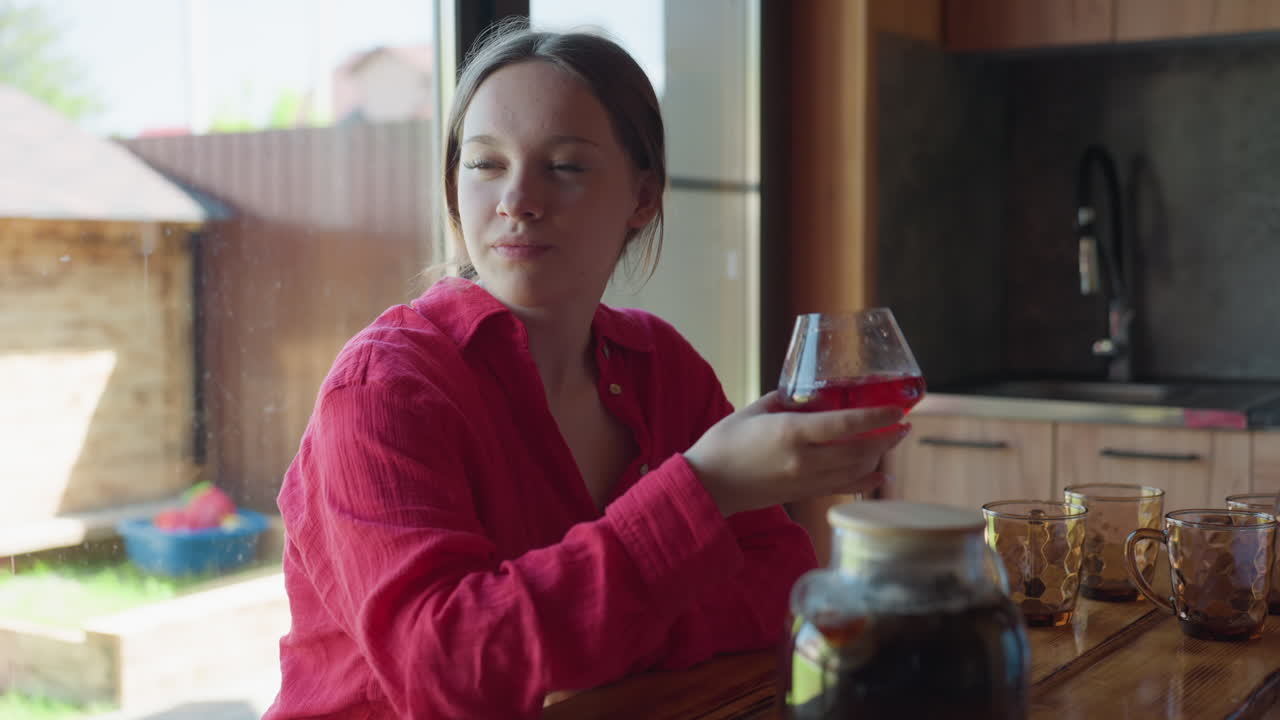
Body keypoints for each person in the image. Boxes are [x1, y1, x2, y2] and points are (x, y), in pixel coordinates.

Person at [264, 20, 909, 720]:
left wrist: (574, 641)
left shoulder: (662, 367)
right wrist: (704, 488)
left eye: (565, 166)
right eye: (484, 164)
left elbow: (780, 584)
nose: (516, 199)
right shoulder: (385, 388)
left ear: (642, 197)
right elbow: (448, 668)